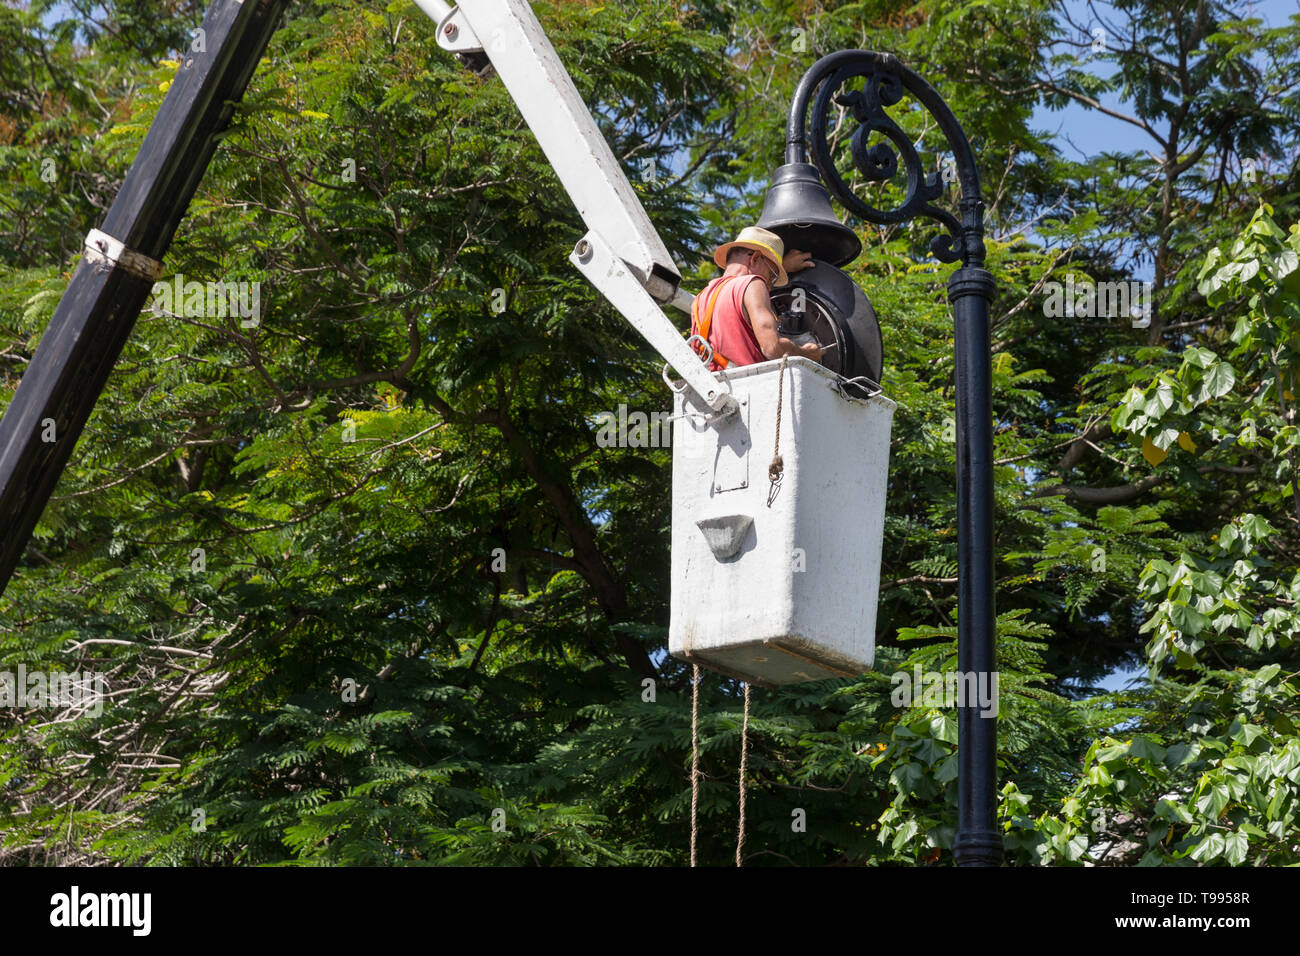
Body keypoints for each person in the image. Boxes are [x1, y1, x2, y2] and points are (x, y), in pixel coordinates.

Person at [690, 226, 821, 372]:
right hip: (749, 389)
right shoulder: (753, 283)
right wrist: (805, 354)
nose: (770, 287)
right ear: (755, 258)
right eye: (772, 276)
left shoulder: (700, 299)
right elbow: (772, 348)